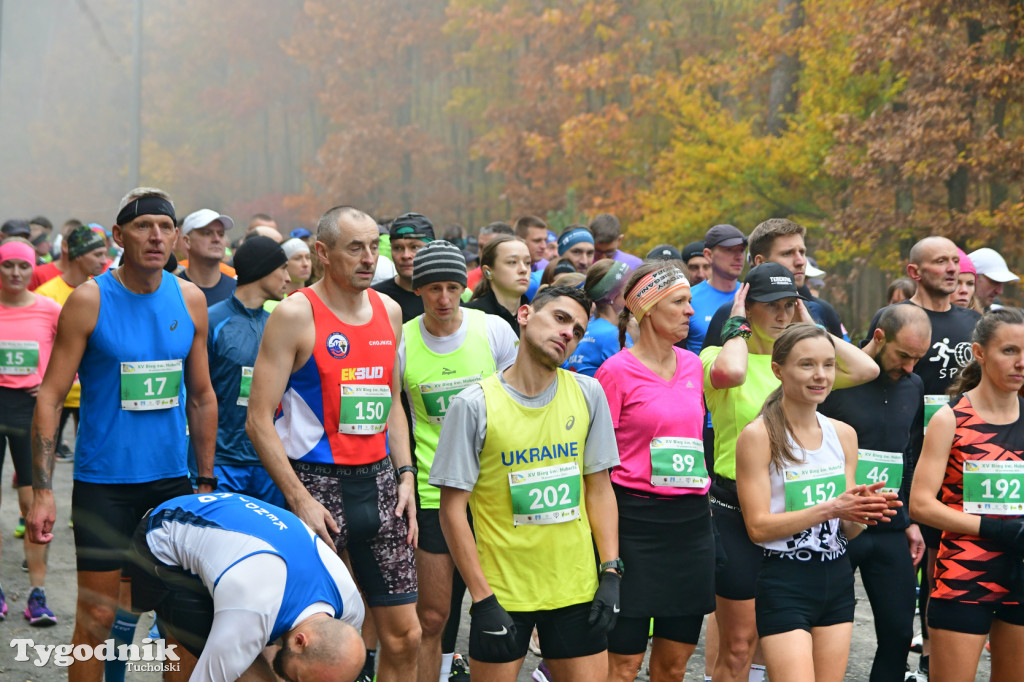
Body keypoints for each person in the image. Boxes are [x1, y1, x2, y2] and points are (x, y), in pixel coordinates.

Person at [27, 187, 218, 682]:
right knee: (97, 619)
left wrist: (205, 482)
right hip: (104, 486)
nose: (155, 236)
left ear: (177, 236)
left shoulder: (190, 300)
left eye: (164, 226)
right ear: (118, 235)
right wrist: (43, 491)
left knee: (184, 624)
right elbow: (49, 396)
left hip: (173, 484)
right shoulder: (89, 300)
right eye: (142, 226)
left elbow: (201, 396)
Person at [246, 205, 420, 682]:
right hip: (317, 485)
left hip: (381, 483)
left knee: (406, 635)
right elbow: (258, 420)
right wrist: (299, 498)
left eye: (373, 246)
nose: (369, 258)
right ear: (322, 253)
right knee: (318, 645)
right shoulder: (295, 313)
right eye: (354, 248)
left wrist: (406, 476)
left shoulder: (390, 309)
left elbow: (390, 403)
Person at [431, 285, 622, 682]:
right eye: (560, 318)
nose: (569, 333)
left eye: (579, 330)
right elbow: (451, 511)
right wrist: (481, 599)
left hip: (575, 589)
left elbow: (599, 489)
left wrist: (610, 572)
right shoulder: (474, 405)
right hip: (503, 594)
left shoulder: (588, 394)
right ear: (524, 315)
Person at [701, 263, 878, 682]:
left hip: (804, 521)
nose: (781, 315)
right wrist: (738, 324)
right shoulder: (722, 354)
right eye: (771, 307)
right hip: (736, 506)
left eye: (788, 306)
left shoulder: (812, 365)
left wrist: (807, 324)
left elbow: (866, 370)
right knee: (740, 644)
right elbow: (735, 372)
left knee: (780, 643)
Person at [735, 324, 897, 682]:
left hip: (837, 578)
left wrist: (864, 510)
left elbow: (849, 531)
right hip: (784, 580)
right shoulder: (758, 435)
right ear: (779, 370)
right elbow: (757, 527)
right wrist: (832, 508)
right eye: (807, 365)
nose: (820, 375)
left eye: (828, 364)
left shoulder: (843, 434)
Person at [399, 241, 518, 682]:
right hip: (435, 491)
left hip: (493, 490)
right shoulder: (405, 339)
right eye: (433, 289)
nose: (445, 299)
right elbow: (395, 407)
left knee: (504, 602)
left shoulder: (493, 331)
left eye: (453, 287)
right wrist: (404, 473)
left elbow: (521, 398)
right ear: (419, 291)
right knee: (433, 616)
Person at [865, 236, 983, 677]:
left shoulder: (973, 322)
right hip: (906, 455)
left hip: (967, 457)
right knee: (925, 561)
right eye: (941, 262)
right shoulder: (896, 320)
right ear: (915, 272)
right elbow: (869, 380)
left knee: (952, 563)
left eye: (956, 261)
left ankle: (936, 663)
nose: (952, 269)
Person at [595, 264, 715, 681]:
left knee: (674, 664)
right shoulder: (615, 373)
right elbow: (596, 468)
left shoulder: (693, 366)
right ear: (646, 308)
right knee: (624, 665)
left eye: (690, 304)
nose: (691, 313)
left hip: (692, 525)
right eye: (680, 303)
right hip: (636, 524)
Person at [125, 492, 365, 681]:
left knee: (253, 652)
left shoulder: (351, 610)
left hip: (237, 549)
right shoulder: (252, 611)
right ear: (300, 641)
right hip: (164, 536)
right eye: (301, 679)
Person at [909, 307, 1024, 681]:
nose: (1020, 362)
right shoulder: (950, 418)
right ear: (979, 352)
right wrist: (993, 527)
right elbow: (921, 504)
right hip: (964, 571)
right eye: (1009, 351)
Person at [819, 304, 932, 681]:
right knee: (826, 630)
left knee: (899, 632)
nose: (911, 367)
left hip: (888, 526)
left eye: (919, 358)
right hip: (837, 525)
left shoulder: (913, 385)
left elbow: (910, 451)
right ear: (879, 337)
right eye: (903, 355)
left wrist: (911, 521)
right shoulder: (836, 381)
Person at [0, 239, 61, 625]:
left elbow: (76, 351)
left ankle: (37, 594)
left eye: (23, 267)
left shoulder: (49, 309)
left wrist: (56, 381)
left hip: (30, 409)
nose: (16, 274)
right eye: (8, 266)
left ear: (32, 269)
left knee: (34, 505)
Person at [207, 236, 290, 507]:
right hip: (223, 463)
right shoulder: (212, 320)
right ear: (262, 270)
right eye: (283, 269)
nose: (288, 278)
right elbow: (194, 395)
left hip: (271, 463)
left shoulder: (279, 323)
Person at [701, 218, 844, 349]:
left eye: (802, 252)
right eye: (787, 253)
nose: (800, 261)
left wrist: (814, 329)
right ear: (760, 262)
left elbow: (849, 369)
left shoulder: (820, 310)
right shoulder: (731, 314)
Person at [564, 259, 632, 377]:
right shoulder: (615, 336)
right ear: (613, 295)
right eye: (628, 291)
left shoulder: (580, 329)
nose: (634, 296)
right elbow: (634, 382)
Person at [686, 224, 746, 353]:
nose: (738, 256)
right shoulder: (689, 298)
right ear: (708, 255)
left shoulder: (751, 296)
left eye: (741, 250)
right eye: (729, 250)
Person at [372, 212, 435, 322]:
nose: (406, 255)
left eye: (414, 247)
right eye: (398, 248)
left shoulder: (446, 297)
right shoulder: (374, 298)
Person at [466, 234, 532, 337]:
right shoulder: (468, 316)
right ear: (488, 271)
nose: (523, 269)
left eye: (527, 263)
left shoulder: (536, 317)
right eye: (512, 262)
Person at [178, 209, 237, 306]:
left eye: (221, 234)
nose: (216, 239)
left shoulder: (236, 291)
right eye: (207, 233)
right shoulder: (172, 290)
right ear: (187, 241)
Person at [467, 221, 514, 291]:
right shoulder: (466, 281)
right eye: (480, 247)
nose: (483, 252)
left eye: (489, 247)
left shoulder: (523, 281)